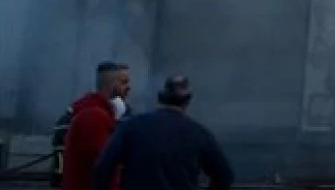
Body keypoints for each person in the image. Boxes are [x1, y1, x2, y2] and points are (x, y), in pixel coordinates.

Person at [93, 75, 233, 190]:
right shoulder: (199, 134)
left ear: (161, 97)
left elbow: (103, 166)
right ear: (187, 100)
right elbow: (224, 175)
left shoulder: (132, 126)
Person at [62, 61, 130, 190]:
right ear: (112, 83)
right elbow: (104, 163)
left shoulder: (99, 112)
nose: (128, 87)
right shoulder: (94, 116)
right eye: (124, 82)